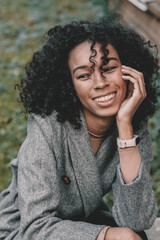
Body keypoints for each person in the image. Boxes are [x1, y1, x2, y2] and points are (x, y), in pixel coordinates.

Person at [0, 15, 159, 240]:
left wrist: (125, 128)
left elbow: (137, 220)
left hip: (83, 221)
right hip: (24, 230)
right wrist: (106, 235)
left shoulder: (131, 122)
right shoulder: (47, 127)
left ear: (128, 70)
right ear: (69, 84)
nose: (100, 83)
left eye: (109, 68)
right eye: (84, 75)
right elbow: (34, 226)